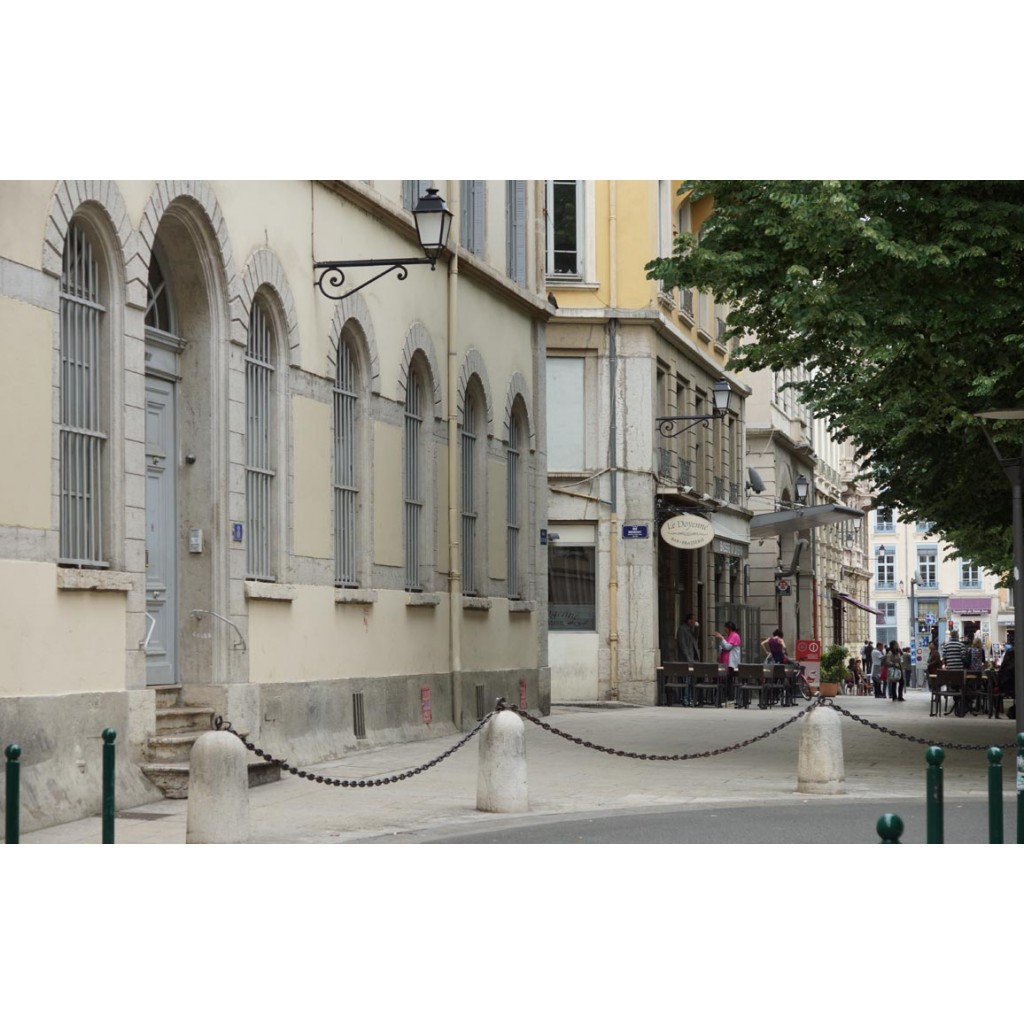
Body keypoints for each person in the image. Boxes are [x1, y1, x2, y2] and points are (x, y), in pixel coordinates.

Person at [713, 620, 742, 704]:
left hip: (731, 662)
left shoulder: (735, 635)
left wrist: (721, 638)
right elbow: (721, 646)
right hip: (725, 661)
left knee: (729, 680)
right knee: (725, 679)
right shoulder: (728, 636)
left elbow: (727, 647)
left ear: (729, 628)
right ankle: (725, 697)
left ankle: (730, 698)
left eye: (725, 627)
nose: (724, 629)